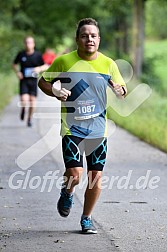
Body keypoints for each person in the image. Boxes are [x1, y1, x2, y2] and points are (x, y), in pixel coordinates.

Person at [38, 18, 127, 234]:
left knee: (95, 178)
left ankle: (86, 218)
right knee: (75, 174)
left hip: (97, 129)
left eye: (93, 35)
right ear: (77, 39)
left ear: (99, 39)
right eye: (85, 35)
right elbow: (43, 81)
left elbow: (122, 89)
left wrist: (119, 91)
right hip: (72, 128)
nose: (89, 39)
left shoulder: (108, 64)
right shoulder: (64, 62)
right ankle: (67, 193)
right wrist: (55, 91)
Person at [12, 36, 48, 127]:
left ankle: (29, 119)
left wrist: (39, 69)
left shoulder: (38, 55)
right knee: (24, 100)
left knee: (32, 102)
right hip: (23, 81)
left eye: (30, 42)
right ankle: (23, 109)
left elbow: (46, 66)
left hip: (33, 81)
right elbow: (14, 64)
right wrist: (18, 73)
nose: (28, 44)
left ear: (33, 44)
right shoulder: (21, 54)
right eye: (27, 42)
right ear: (24, 44)